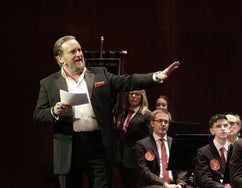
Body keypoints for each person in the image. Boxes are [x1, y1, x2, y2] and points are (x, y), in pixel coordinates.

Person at [32, 35, 180, 188]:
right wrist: (54, 111)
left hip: (98, 143)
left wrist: (156, 76)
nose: (79, 54)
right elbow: (38, 115)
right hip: (70, 146)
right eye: (73, 52)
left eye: (79, 50)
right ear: (60, 58)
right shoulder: (48, 83)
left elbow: (128, 81)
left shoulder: (99, 74)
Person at [135, 109, 190, 188]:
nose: (163, 124)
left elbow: (182, 168)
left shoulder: (175, 143)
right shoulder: (142, 145)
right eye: (160, 121)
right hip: (154, 185)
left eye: (166, 122)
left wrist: (180, 184)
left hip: (174, 184)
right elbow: (144, 172)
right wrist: (164, 184)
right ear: (152, 123)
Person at [116, 89, 152, 188]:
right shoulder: (123, 113)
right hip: (123, 158)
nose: (133, 96)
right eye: (131, 94)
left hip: (137, 159)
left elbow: (149, 139)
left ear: (142, 97)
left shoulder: (147, 115)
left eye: (137, 94)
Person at [194, 114, 231, 188]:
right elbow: (204, 179)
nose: (223, 128)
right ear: (212, 131)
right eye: (219, 126)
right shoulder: (203, 152)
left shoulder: (235, 149)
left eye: (225, 125)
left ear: (229, 128)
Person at [222, 113, 242, 185]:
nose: (228, 126)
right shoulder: (213, 148)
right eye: (225, 124)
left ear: (239, 126)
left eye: (232, 123)